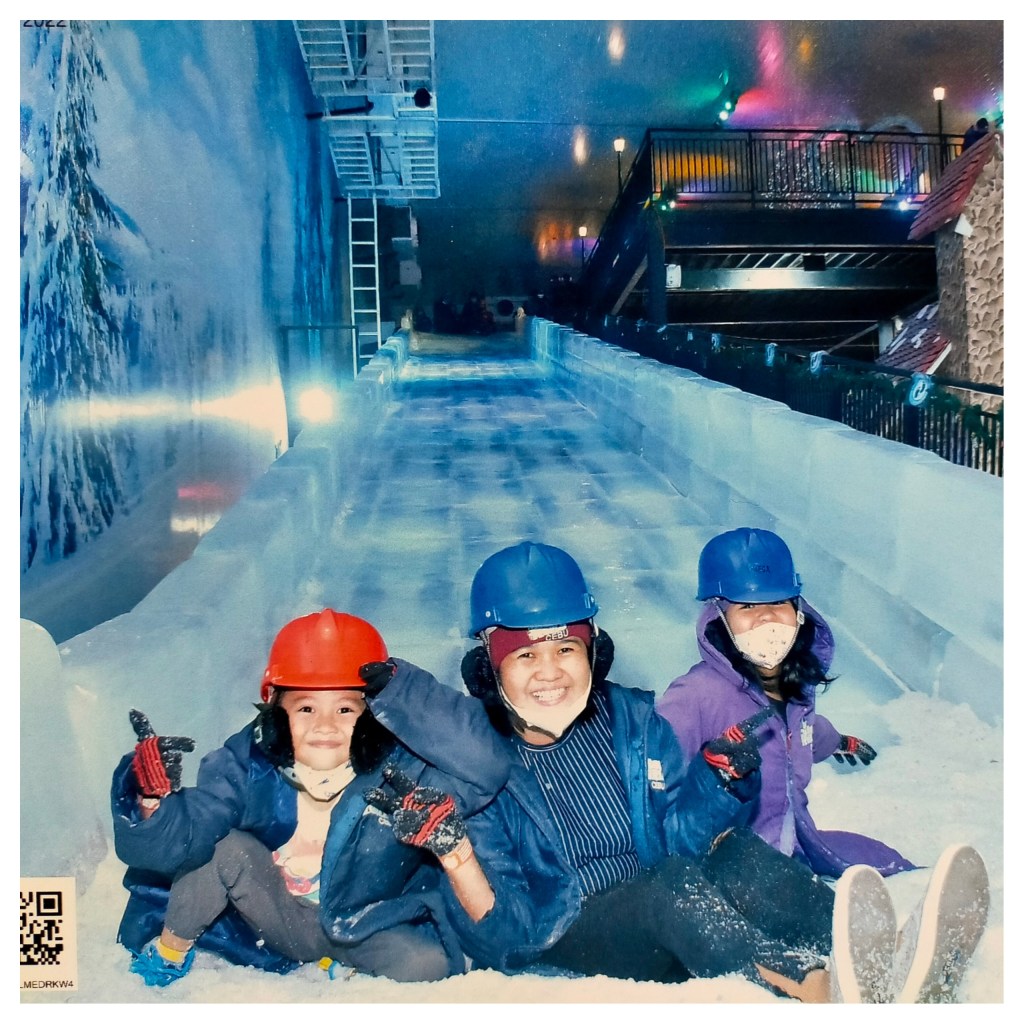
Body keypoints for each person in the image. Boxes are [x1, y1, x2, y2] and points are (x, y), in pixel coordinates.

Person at [349, 541, 989, 1002]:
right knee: (672, 887)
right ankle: (820, 987)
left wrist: (716, 785)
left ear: (593, 651)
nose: (550, 673)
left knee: (733, 852)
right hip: (567, 928)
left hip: (663, 898)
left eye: (566, 648)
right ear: (491, 668)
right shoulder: (480, 768)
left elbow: (679, 839)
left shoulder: (631, 723)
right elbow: (503, 939)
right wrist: (457, 855)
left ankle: (881, 953)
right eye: (525, 656)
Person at [111, 609, 506, 986]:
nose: (325, 725)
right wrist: (153, 805)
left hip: (361, 923)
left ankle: (334, 964)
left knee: (427, 963)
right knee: (222, 849)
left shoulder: (401, 770)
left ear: (374, 716)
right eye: (305, 708)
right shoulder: (246, 763)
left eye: (346, 709)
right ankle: (169, 954)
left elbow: (484, 767)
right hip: (275, 914)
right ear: (275, 713)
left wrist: (406, 695)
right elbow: (187, 838)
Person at [658, 528, 915, 880]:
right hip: (732, 865)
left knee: (883, 861)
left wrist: (840, 742)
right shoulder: (695, 695)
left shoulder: (794, 689)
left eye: (778, 602)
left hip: (794, 842)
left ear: (798, 610)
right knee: (813, 903)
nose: (766, 617)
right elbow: (653, 774)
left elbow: (800, 733)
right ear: (719, 617)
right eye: (747, 606)